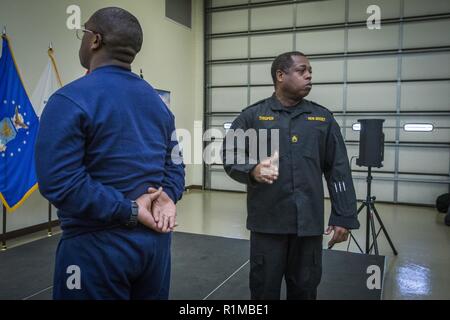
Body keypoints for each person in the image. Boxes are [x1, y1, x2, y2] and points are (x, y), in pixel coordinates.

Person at [35, 7, 185, 300]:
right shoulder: (158, 105)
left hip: (94, 249)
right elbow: (176, 162)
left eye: (83, 33)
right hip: (154, 248)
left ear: (95, 40)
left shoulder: (68, 99)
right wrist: (167, 195)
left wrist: (129, 210)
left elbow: (60, 182)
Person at [222, 51, 360, 300]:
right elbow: (230, 154)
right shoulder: (253, 117)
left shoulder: (322, 119)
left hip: (308, 226)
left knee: (305, 290)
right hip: (268, 224)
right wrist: (251, 170)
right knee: (264, 291)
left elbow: (338, 169)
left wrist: (344, 215)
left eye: (310, 72)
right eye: (302, 70)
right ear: (280, 75)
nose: (309, 75)